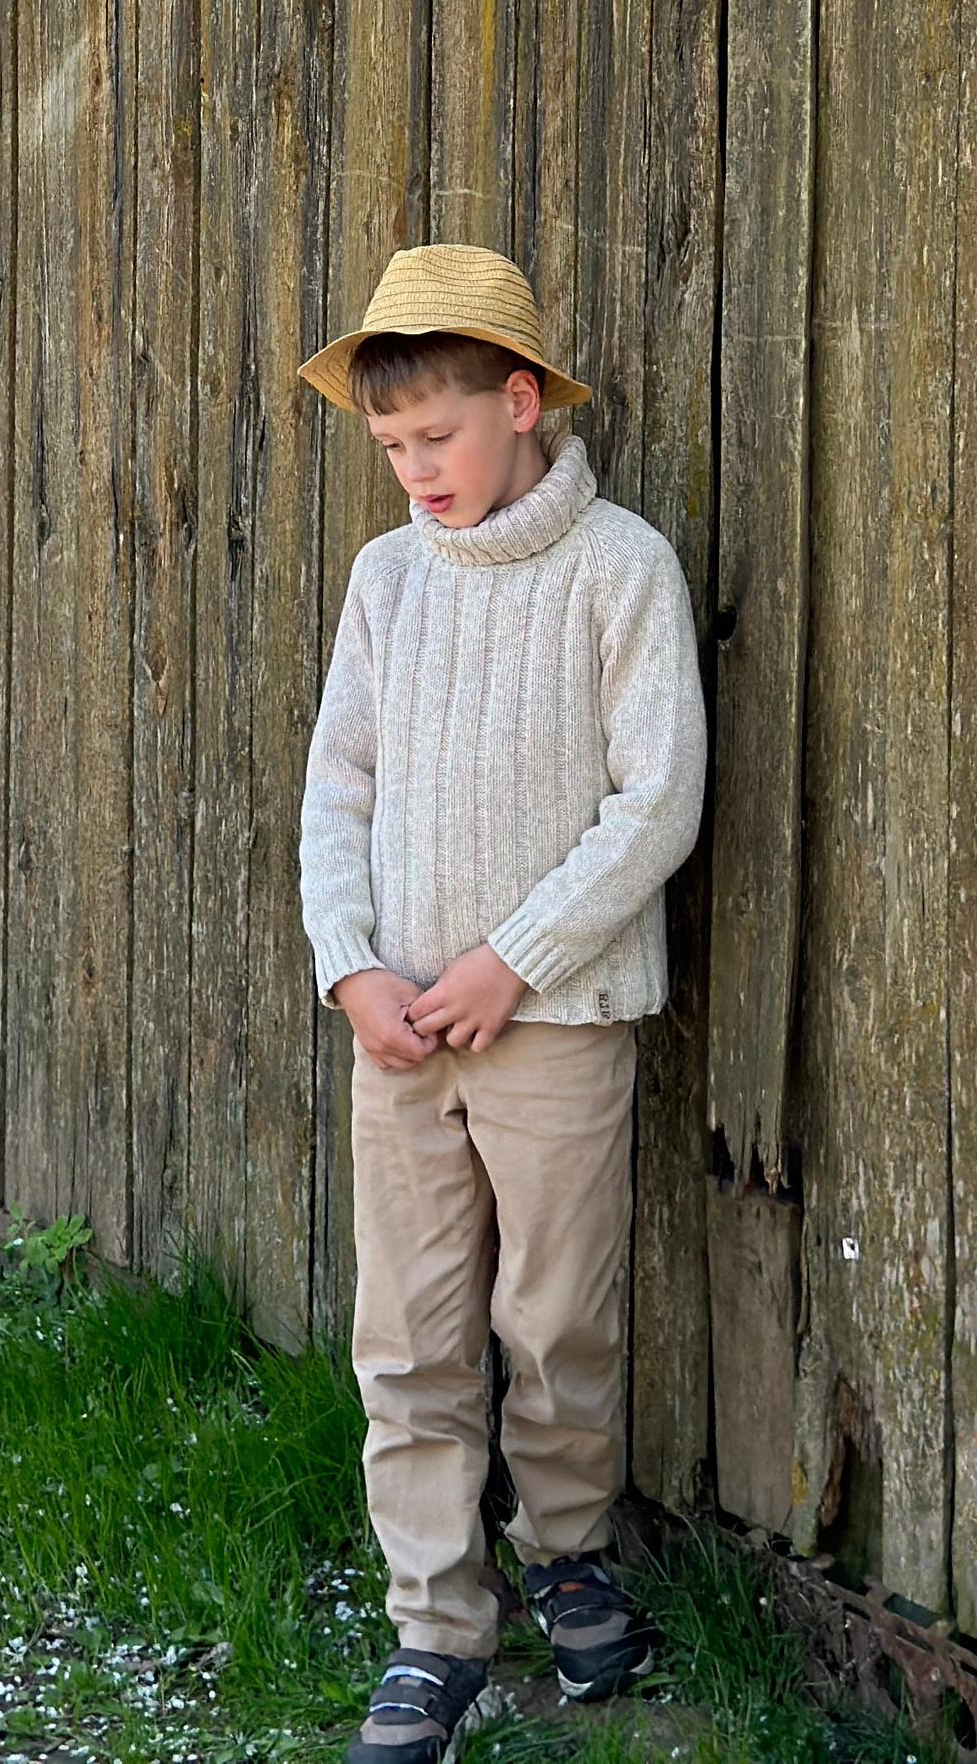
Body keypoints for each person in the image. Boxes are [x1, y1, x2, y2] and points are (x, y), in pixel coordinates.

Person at [297, 244, 708, 1762]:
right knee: (404, 1327)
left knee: (555, 1314)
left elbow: (654, 802)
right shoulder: (385, 581)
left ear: (520, 401)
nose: (415, 472)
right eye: (392, 448)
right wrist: (353, 961)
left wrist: (510, 961)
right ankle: (433, 1621)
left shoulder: (622, 570)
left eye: (439, 438)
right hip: (398, 1026)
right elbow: (338, 786)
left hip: (560, 1023)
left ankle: (568, 1551)